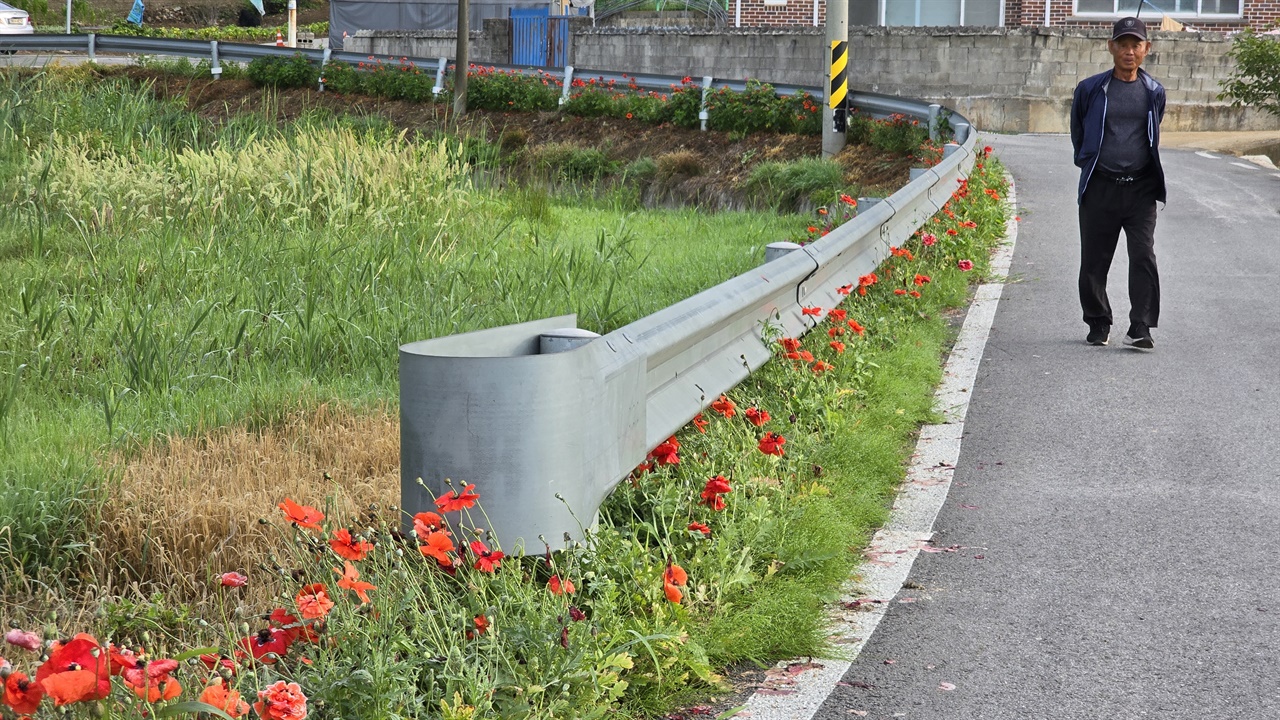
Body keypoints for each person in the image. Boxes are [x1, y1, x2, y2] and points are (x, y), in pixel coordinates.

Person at [1069, 16, 1166, 350]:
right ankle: (1098, 322)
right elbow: (1078, 133)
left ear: (1146, 49)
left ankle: (1140, 326)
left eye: (1135, 45)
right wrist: (1090, 164)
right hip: (1100, 187)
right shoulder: (1090, 89)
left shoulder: (1154, 92)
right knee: (1094, 260)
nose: (1129, 51)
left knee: (1143, 256)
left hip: (1141, 190)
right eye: (1122, 44)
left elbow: (1152, 135)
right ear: (1111, 47)